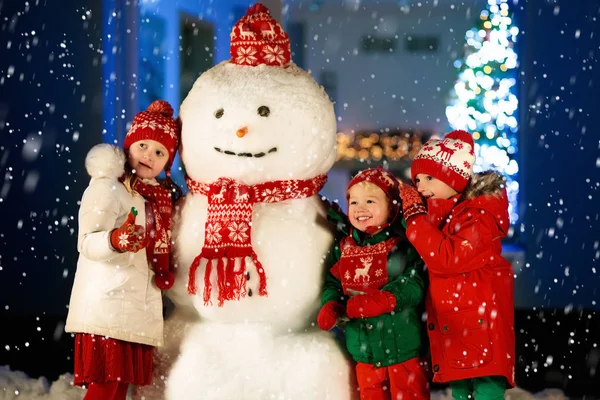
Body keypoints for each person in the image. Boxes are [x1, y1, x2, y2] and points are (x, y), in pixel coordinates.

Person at [65, 100, 181, 400]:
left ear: (167, 163)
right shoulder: (108, 187)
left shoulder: (157, 199)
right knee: (105, 386)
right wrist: (115, 240)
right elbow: (87, 241)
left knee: (118, 389)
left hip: (134, 309)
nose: (148, 155)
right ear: (129, 146)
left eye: (160, 152)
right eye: (142, 145)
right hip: (107, 305)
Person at [399, 129, 515, 400]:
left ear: (454, 178)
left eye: (429, 177)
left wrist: (416, 220)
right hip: (458, 325)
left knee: (486, 388)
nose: (421, 186)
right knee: (461, 390)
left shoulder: (480, 216)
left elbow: (448, 258)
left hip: (480, 326)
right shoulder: (443, 217)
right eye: (416, 179)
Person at [317, 167, 430, 400]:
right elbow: (333, 284)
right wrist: (331, 305)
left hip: (404, 351)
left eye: (370, 200)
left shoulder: (401, 246)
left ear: (391, 208)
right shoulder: (344, 248)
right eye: (354, 202)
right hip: (364, 353)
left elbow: (415, 282)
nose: (361, 208)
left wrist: (387, 299)